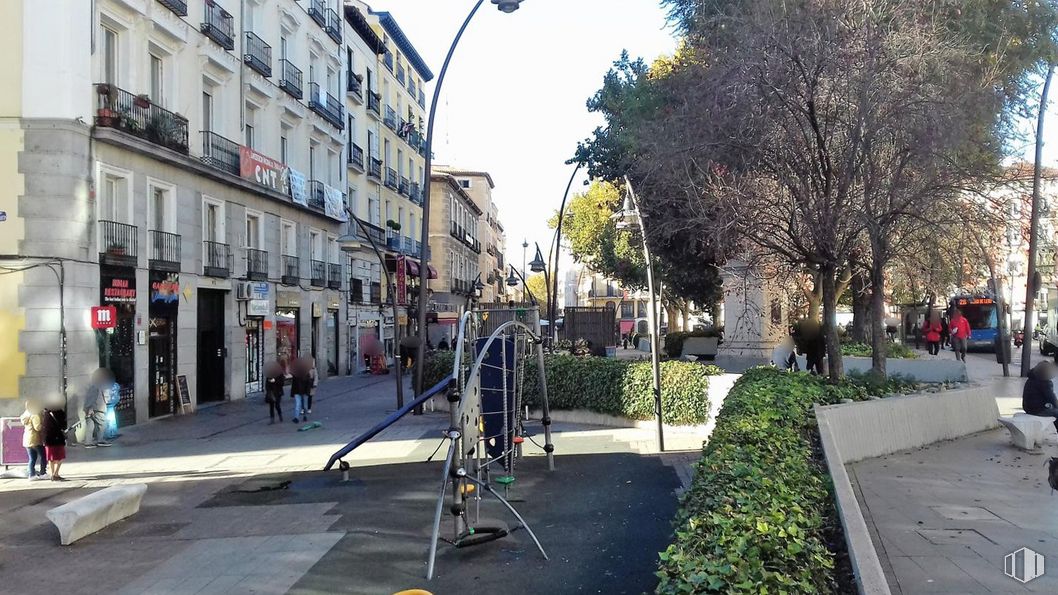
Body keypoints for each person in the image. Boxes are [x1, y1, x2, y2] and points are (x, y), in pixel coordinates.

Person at [1023, 361, 1058, 432]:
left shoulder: (1031, 378)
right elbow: (1052, 398)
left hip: (1027, 408)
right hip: (1038, 410)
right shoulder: (1044, 382)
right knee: (1056, 412)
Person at [83, 368, 113, 448]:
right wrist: (90, 408)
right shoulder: (97, 386)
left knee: (90, 425)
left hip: (91, 408)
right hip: (96, 409)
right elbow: (93, 398)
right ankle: (100, 440)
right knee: (102, 424)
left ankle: (88, 442)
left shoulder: (95, 385)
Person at [20, 399, 46, 480]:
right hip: (35, 439)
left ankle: (32, 475)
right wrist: (44, 426)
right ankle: (43, 473)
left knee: (32, 458)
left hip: (27, 439)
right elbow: (37, 427)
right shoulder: (35, 415)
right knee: (43, 456)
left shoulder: (25, 415)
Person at [40, 403, 68, 481]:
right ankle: (56, 473)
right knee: (61, 457)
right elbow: (63, 425)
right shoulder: (60, 412)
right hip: (58, 438)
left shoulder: (45, 412)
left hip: (47, 439)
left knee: (51, 458)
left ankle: (52, 474)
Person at [290, 358, 311, 423]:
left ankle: (304, 416)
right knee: (298, 404)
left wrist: (307, 392)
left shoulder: (306, 373)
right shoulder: (295, 374)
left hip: (303, 391)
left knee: (303, 405)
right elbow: (293, 384)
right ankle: (296, 418)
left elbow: (308, 383)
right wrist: (292, 393)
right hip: (297, 391)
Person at [264, 360, 285, 424]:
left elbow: (282, 383)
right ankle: (272, 419)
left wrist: (275, 381)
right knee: (271, 406)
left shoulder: (280, 374)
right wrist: (268, 391)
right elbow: (267, 383)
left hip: (278, 392)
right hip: (271, 392)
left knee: (277, 405)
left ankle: (280, 415)